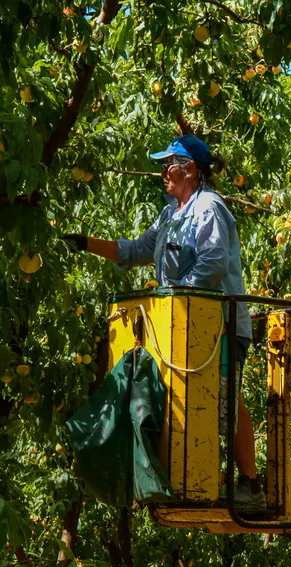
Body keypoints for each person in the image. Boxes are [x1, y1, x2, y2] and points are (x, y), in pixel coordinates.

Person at [61, 135, 266, 510]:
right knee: (186, 401)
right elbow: (136, 250)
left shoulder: (209, 209)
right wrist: (85, 243)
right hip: (180, 329)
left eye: (168, 165)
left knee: (223, 400)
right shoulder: (171, 213)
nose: (162, 173)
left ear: (189, 169)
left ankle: (250, 484)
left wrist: (178, 294)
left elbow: (214, 261)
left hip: (215, 326)